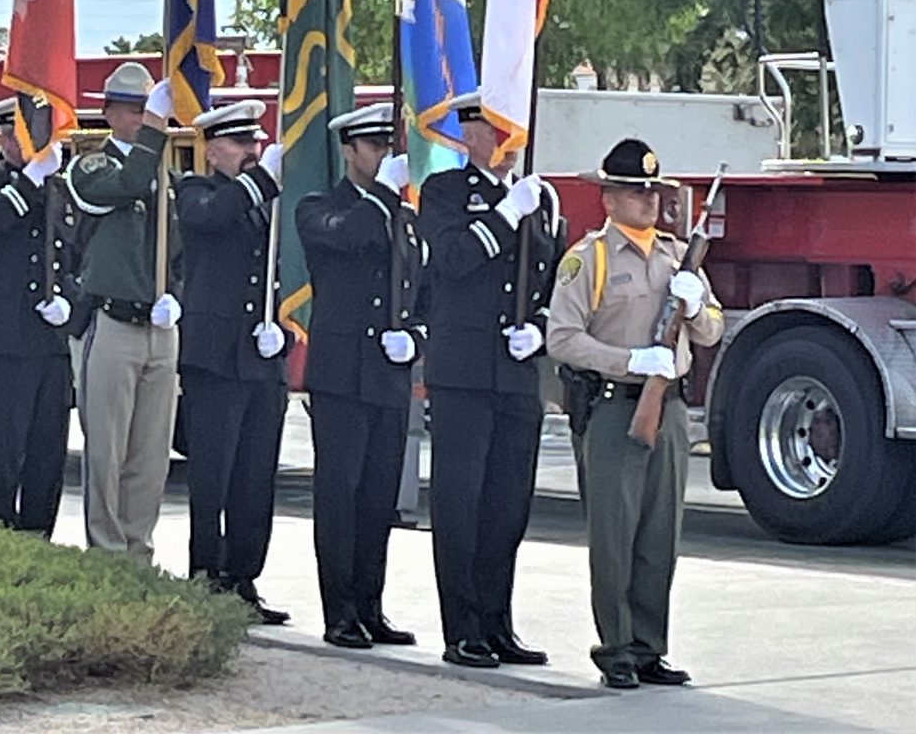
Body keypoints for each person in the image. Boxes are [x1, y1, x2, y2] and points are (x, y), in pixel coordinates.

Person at [546, 138, 724, 689]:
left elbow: (713, 329)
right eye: (634, 192)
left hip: (666, 409)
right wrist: (628, 360)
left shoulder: (676, 255)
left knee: (658, 536)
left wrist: (695, 306)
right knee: (614, 536)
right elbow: (562, 338)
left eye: (652, 190)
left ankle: (650, 648)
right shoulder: (589, 258)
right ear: (608, 198)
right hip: (613, 409)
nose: (649, 201)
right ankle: (616, 649)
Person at [418, 90, 563, 669]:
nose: (508, 139)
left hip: (515, 373)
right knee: (461, 504)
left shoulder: (539, 200)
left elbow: (550, 280)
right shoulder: (446, 192)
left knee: (507, 506)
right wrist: (505, 216)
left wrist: (543, 328)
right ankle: (464, 628)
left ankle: (499, 622)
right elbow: (452, 260)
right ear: (471, 133)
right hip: (463, 371)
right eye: (496, 127)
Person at [295, 102, 427, 650]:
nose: (382, 155)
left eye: (386, 146)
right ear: (349, 150)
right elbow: (347, 237)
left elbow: (425, 287)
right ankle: (340, 610)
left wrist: (416, 338)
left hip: (387, 376)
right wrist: (384, 197)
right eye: (373, 146)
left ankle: (371, 605)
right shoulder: (319, 206)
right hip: (341, 376)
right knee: (340, 495)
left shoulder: (404, 216)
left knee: (378, 499)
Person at [177, 99, 290, 624]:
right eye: (242, 143)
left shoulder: (267, 200)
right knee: (213, 475)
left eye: (257, 143)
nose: (252, 151)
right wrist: (262, 181)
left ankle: (243, 578)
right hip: (214, 359)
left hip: (259, 357)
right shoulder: (197, 191)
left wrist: (282, 332)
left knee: (255, 476)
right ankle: (206, 576)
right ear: (213, 148)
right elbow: (213, 220)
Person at [64, 63, 181, 562]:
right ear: (108, 112)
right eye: (132, 110)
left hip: (158, 326)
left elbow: (178, 246)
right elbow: (129, 184)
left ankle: (138, 551)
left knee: (149, 456)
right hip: (110, 324)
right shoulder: (91, 167)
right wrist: (157, 131)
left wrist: (175, 292)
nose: (140, 119)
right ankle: (107, 552)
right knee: (106, 454)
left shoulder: (165, 174)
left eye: (146, 111)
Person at [0, 98, 72, 536]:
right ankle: (2, 538)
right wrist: (30, 181)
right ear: (2, 137)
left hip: (52, 340)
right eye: (16, 135)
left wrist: (70, 300)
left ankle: (40, 536)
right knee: (6, 453)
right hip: (6, 340)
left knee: (48, 453)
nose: (23, 144)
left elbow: (76, 250)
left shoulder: (56, 185)